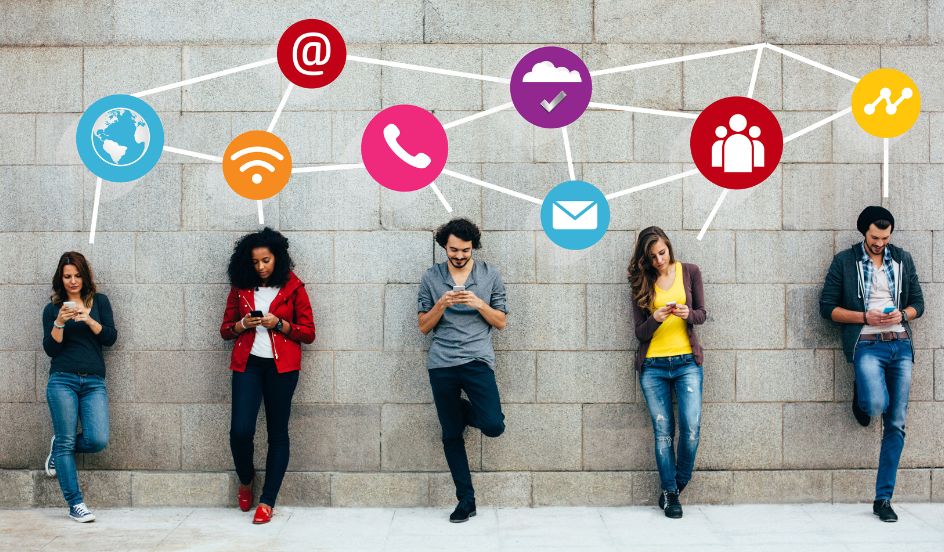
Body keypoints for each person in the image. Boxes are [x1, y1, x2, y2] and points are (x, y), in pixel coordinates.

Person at [819, 206, 924, 522]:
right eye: (875, 237)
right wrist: (865, 317)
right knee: (877, 403)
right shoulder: (845, 261)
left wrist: (902, 315)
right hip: (865, 343)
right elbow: (827, 308)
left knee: (896, 422)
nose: (880, 243)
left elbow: (918, 304)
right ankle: (864, 396)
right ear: (864, 232)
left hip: (900, 345)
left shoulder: (902, 260)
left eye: (885, 237)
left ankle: (883, 499)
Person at [219, 227, 315, 524]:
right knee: (240, 431)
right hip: (248, 364)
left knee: (278, 433)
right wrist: (243, 324)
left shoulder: (294, 287)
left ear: (278, 258)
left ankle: (267, 501)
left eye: (266, 260)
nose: (260, 267)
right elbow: (225, 330)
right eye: (255, 262)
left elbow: (309, 333)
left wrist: (280, 323)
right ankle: (246, 479)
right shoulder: (240, 288)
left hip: (282, 368)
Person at [418, 218, 508, 523]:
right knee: (451, 434)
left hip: (477, 360)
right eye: (453, 250)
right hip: (441, 363)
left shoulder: (489, 275)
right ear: (445, 246)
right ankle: (465, 500)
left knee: (494, 424)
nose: (459, 255)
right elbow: (423, 326)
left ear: (474, 247)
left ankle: (460, 410)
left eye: (465, 250)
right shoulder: (431, 277)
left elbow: (501, 321)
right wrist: (441, 304)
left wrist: (478, 303)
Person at [628, 227, 707, 519]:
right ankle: (670, 493)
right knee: (663, 432)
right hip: (653, 367)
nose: (659, 260)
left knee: (691, 429)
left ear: (669, 248)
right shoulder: (641, 282)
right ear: (646, 259)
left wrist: (688, 314)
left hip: (687, 362)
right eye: (652, 257)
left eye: (662, 253)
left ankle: (677, 483)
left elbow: (702, 313)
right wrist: (656, 319)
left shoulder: (690, 271)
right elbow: (639, 332)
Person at [42, 251, 117, 523]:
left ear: (85, 276)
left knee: (97, 439)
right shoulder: (52, 309)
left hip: (94, 382)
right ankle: (76, 504)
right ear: (60, 279)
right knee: (66, 440)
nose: (72, 281)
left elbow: (110, 337)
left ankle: (60, 447)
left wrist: (88, 319)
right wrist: (59, 322)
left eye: (77, 275)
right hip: (62, 379)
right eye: (67, 276)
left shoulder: (100, 302)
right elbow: (50, 349)